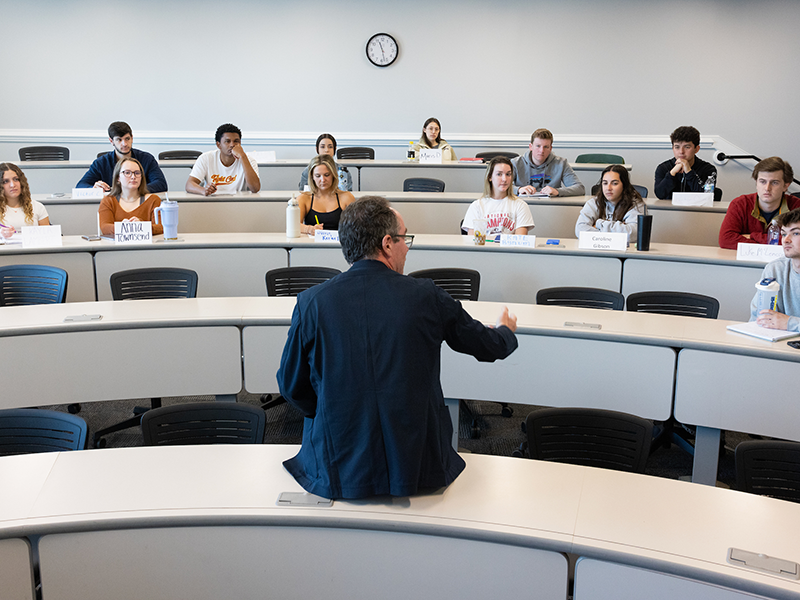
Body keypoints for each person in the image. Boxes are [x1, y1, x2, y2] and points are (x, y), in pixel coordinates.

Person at [277, 195, 518, 499]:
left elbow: (290, 385)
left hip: (336, 466)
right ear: (388, 243)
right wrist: (506, 331)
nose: (407, 247)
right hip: (417, 464)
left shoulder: (312, 302)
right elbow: (488, 346)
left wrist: (332, 410)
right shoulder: (426, 296)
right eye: (405, 239)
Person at [719, 157, 800, 249]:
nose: (767, 188)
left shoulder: (797, 207)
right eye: (762, 182)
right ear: (756, 183)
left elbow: (797, 242)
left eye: (774, 182)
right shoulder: (739, 204)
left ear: (785, 186)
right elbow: (725, 239)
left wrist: (753, 236)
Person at [76, 121, 167, 193]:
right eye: (119, 140)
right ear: (111, 141)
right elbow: (81, 186)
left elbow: (161, 184)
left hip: (138, 202)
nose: (124, 144)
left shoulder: (147, 159)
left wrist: (134, 189)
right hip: (111, 204)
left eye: (127, 139)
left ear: (132, 138)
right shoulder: (100, 163)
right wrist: (93, 188)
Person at [749, 208, 800, 332]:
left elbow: (785, 323)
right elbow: (759, 318)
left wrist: (789, 323)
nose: (786, 240)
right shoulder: (775, 269)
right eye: (783, 234)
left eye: (796, 233)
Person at [462, 156, 535, 236]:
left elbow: (520, 241)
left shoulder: (520, 205)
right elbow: (473, 241)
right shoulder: (476, 206)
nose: (504, 179)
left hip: (509, 248)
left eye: (508, 174)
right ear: (490, 177)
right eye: (499, 174)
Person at [575, 164, 646, 241]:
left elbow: (633, 234)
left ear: (624, 185)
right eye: (605, 183)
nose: (608, 188)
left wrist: (599, 224)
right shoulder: (593, 203)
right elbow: (580, 231)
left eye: (614, 183)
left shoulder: (636, 204)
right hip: (597, 249)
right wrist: (620, 229)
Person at [185, 123, 260, 195]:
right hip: (213, 202)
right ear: (219, 145)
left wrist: (243, 157)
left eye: (236, 141)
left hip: (239, 203)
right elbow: (189, 184)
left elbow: (255, 188)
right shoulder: (206, 158)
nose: (232, 145)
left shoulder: (249, 160)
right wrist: (203, 190)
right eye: (227, 141)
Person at [98, 158, 162, 236]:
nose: (133, 177)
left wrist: (141, 226)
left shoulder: (154, 200)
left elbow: (160, 227)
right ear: (118, 178)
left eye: (137, 173)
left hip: (146, 247)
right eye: (127, 173)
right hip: (116, 247)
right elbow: (105, 228)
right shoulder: (108, 201)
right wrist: (126, 227)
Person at [511, 128, 584, 197]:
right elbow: (500, 187)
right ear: (531, 147)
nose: (542, 151)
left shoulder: (561, 163)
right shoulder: (515, 163)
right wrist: (518, 190)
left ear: (550, 148)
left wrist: (557, 191)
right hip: (523, 205)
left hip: (552, 207)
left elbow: (580, 188)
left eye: (546, 147)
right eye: (538, 146)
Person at [654, 126, 717, 200]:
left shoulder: (708, 169)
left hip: (697, 210)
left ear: (696, 149)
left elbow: (705, 196)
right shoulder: (663, 168)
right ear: (672, 148)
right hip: (671, 211)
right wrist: (672, 173)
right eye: (677, 147)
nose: (681, 152)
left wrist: (689, 171)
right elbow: (660, 194)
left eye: (687, 147)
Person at [297, 155, 355, 233]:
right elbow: (294, 225)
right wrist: (310, 229)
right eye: (318, 176)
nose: (323, 180)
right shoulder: (304, 198)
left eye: (327, 175)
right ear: (312, 177)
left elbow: (356, 226)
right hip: (312, 244)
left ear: (333, 175)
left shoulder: (346, 197)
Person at [0, 163, 50, 238]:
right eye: (5, 181)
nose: (12, 185)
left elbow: (48, 237)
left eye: (16, 179)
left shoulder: (37, 207)